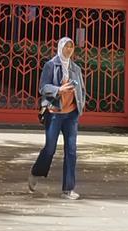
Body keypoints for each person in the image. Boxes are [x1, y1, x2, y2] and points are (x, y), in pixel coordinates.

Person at [28, 35, 85, 200]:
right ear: (60, 47)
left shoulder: (76, 69)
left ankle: (68, 189)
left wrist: (80, 104)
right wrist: (58, 90)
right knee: (50, 149)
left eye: (71, 47)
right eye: (66, 46)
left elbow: (81, 88)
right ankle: (36, 172)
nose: (68, 50)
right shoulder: (51, 65)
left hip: (71, 115)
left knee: (71, 151)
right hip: (54, 114)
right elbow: (43, 87)